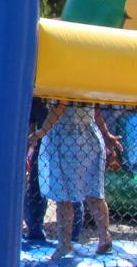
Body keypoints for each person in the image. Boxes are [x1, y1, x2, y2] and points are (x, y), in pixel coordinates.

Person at [30, 101, 120, 258]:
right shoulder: (87, 83)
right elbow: (95, 110)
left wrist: (40, 132)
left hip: (66, 138)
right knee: (94, 192)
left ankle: (64, 244)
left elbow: (60, 106)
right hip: (90, 137)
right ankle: (104, 237)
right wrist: (106, 135)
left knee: (63, 198)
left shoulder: (64, 81)